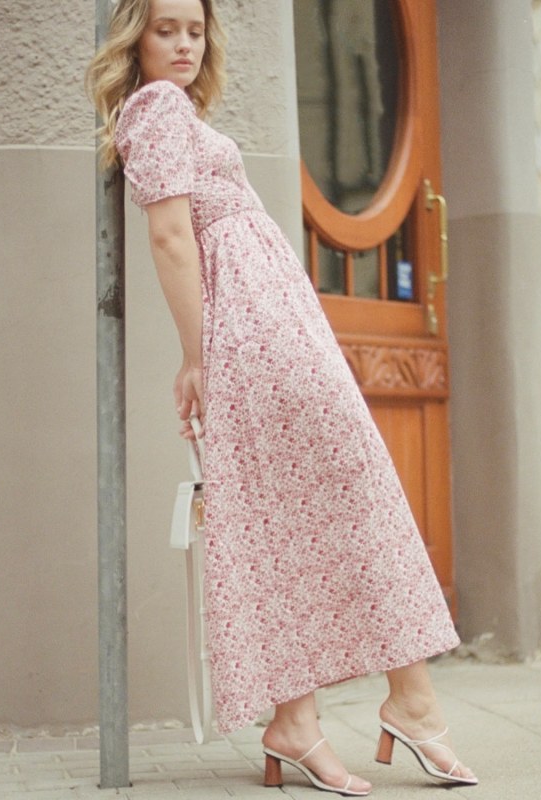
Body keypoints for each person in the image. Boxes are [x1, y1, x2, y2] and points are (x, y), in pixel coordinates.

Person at [86, 0, 477, 794]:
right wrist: (199, 359)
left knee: (296, 517)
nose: (186, 44)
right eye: (167, 29)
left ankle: (363, 707)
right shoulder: (155, 108)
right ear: (135, 34)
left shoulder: (178, 110)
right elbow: (169, 238)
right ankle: (366, 709)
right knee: (332, 499)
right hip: (250, 336)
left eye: (196, 30)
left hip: (268, 324)